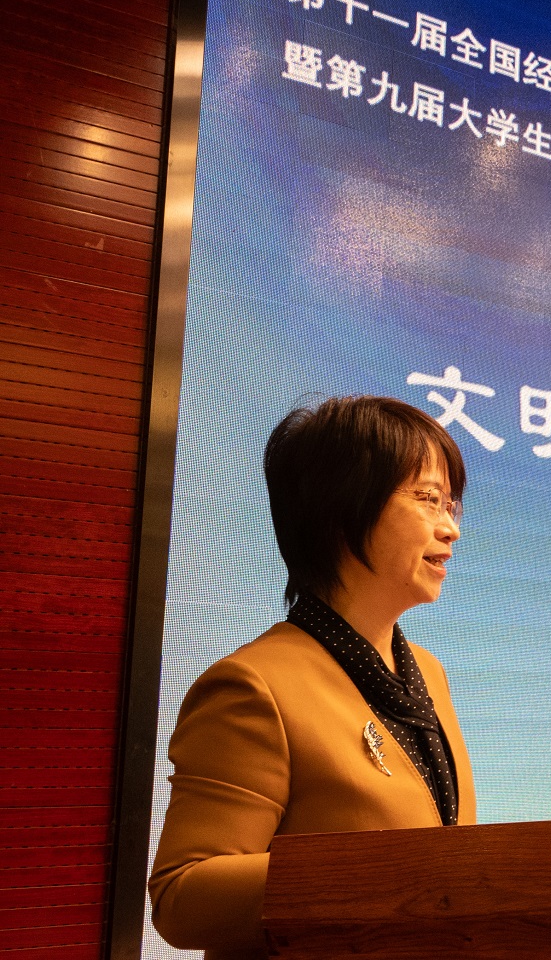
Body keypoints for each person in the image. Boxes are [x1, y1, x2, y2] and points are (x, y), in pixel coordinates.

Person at [150, 396, 477, 958]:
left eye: (452, 506)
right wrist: (387, 872)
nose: (451, 529)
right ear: (342, 508)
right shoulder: (253, 686)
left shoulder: (429, 672)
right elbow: (182, 897)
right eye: (428, 499)